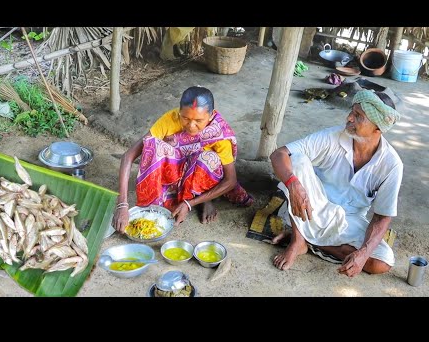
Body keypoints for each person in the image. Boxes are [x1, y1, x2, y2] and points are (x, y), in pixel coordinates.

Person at [269, 90, 403, 277]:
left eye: (358, 116)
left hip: (349, 220)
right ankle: (298, 239)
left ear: (377, 128)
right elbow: (279, 154)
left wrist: (363, 254)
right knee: (296, 160)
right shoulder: (333, 137)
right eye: (352, 111)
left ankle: (306, 240)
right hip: (310, 208)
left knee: (380, 262)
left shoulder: (391, 164)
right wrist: (293, 185)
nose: (349, 118)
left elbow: (382, 218)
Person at [112, 86, 253, 233]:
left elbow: (230, 180)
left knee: (209, 158)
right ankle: (161, 201)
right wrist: (122, 204)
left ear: (211, 116)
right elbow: (128, 156)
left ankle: (203, 200)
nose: (191, 125)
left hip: (200, 177)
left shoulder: (220, 132)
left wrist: (190, 204)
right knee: (152, 144)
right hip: (175, 173)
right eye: (185, 118)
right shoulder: (170, 119)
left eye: (199, 120)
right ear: (179, 112)